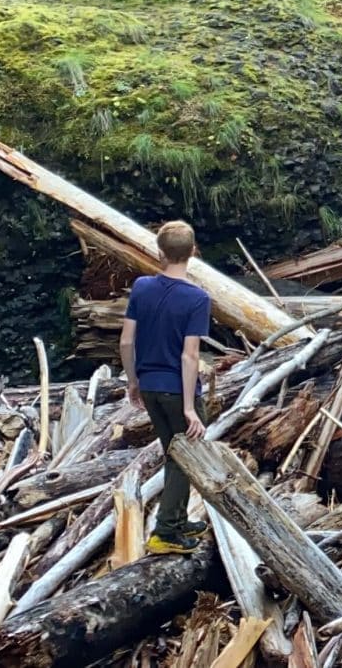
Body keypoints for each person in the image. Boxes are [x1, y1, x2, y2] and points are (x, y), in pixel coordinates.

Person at [120, 220, 211, 554]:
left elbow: (127, 341)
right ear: (193, 252)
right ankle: (166, 533)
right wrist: (189, 408)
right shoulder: (197, 298)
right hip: (177, 391)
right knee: (183, 459)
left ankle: (177, 517)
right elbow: (190, 356)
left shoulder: (142, 287)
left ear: (159, 252)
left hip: (151, 387)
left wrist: (133, 381)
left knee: (175, 454)